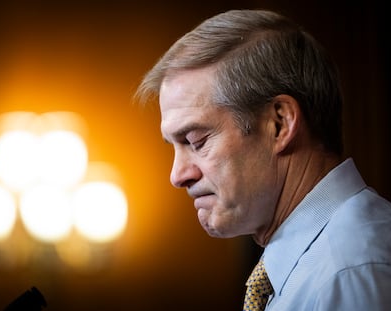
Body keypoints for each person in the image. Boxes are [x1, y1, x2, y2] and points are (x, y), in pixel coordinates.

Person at [134, 9, 391, 310]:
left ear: (279, 124)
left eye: (196, 141)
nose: (177, 175)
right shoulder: (318, 265)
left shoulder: (347, 271)